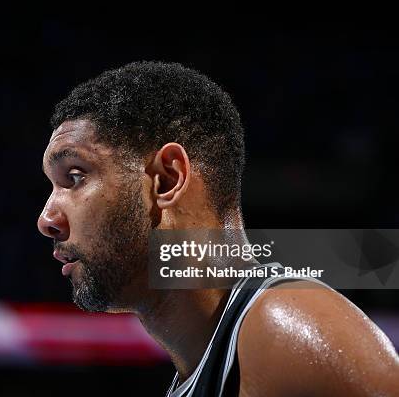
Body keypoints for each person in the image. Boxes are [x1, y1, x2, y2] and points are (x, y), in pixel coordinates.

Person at [36, 61, 399, 396]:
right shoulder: (209, 368)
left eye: (75, 176)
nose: (47, 219)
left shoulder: (280, 331)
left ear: (166, 179)